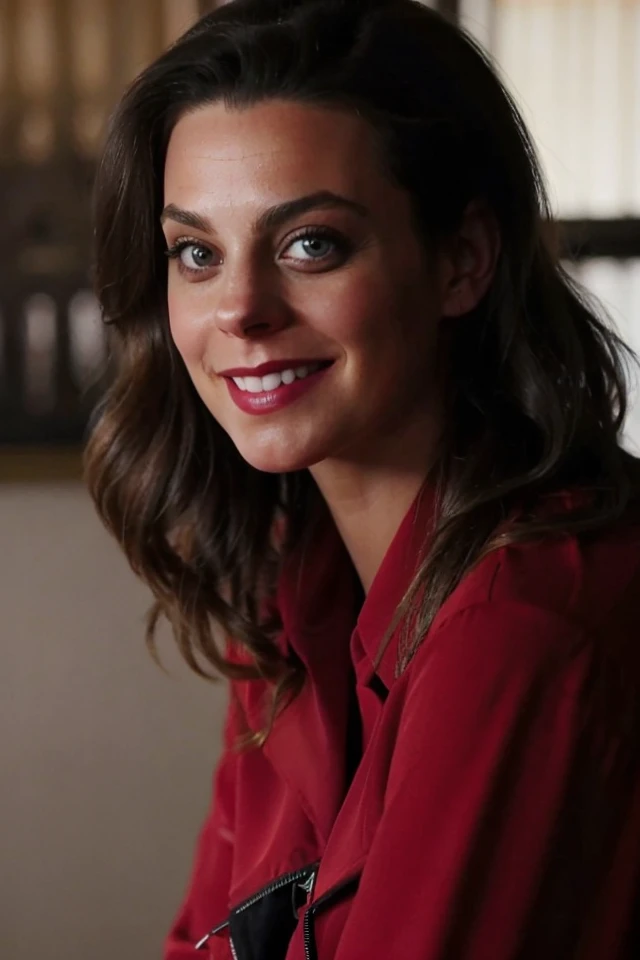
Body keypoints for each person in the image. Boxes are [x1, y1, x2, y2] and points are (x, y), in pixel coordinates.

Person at [85, 0, 640, 957]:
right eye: (197, 253)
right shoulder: (292, 589)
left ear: (461, 260)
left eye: (311, 244)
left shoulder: (525, 623)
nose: (241, 310)